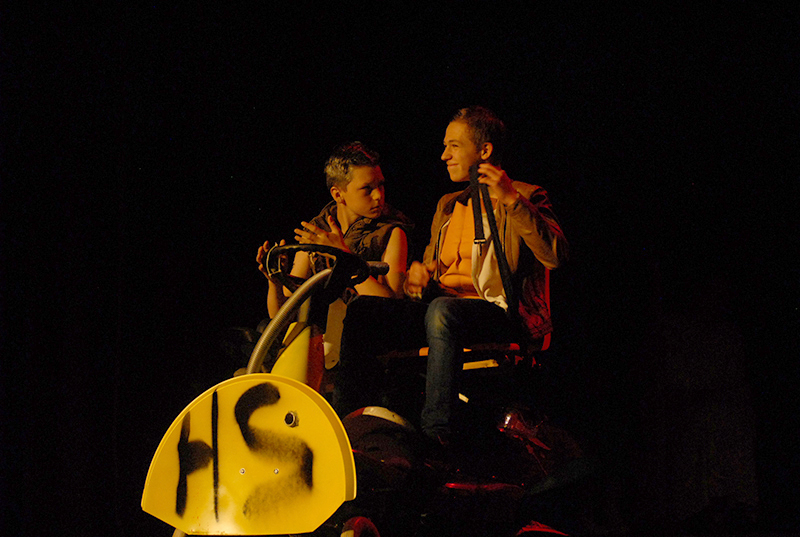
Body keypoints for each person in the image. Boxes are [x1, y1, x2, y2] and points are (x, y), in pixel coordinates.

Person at [335, 107, 567, 450]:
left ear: (484, 150)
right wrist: (418, 278)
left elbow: (555, 256)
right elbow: (431, 276)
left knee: (444, 311)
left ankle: (437, 432)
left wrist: (511, 200)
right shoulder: (448, 205)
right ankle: (348, 425)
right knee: (364, 311)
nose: (444, 155)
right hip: (445, 312)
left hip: (501, 315)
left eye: (454, 146)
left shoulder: (526, 196)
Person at [256, 142, 413, 318]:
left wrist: (343, 256)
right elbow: (282, 316)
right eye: (367, 189)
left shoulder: (390, 231)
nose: (378, 195)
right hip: (321, 329)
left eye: (381, 185)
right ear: (338, 194)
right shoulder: (317, 232)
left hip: (365, 328)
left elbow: (392, 307)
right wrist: (275, 281)